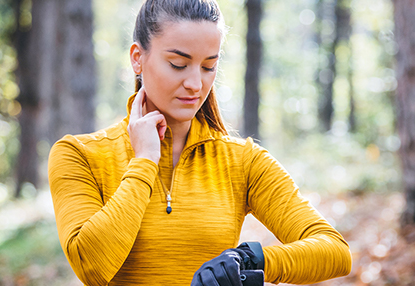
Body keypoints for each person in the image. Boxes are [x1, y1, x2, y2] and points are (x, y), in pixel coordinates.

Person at [47, 0, 351, 285]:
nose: (195, 84)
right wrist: (144, 161)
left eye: (208, 67)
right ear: (138, 58)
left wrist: (250, 261)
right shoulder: (79, 155)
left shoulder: (242, 161)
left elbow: (334, 251)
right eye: (179, 64)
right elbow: (92, 267)